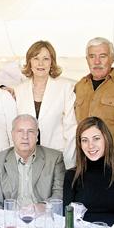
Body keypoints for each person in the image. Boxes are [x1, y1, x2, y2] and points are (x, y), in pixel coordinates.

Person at [14, 41, 77, 169]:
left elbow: (71, 129)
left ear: (52, 62)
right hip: (26, 161)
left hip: (57, 159)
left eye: (46, 59)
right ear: (29, 62)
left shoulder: (65, 88)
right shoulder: (18, 90)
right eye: (36, 58)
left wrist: (68, 164)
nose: (40, 63)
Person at [0, 114, 65, 209]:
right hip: (10, 219)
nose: (25, 136)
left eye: (30, 131)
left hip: (42, 217)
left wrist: (42, 207)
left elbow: (59, 196)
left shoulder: (54, 158)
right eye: (20, 131)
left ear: (37, 135)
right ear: (12, 135)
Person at [74, 37, 114, 156]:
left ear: (112, 58)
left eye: (102, 56)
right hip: (84, 162)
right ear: (87, 59)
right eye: (92, 57)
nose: (97, 62)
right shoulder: (79, 86)